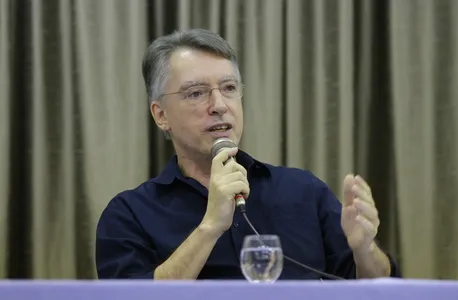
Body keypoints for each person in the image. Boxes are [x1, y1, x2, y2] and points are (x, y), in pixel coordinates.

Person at [95, 28, 401, 280]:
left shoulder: (304, 192)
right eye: (196, 93)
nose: (219, 105)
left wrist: (364, 250)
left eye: (229, 87)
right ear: (160, 115)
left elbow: (380, 288)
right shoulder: (129, 215)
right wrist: (210, 227)